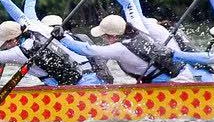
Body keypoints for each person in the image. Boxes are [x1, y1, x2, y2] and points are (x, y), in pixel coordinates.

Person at [0, 19, 105, 87]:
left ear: (13, 40)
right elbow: (23, 15)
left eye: (5, 44)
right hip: (75, 76)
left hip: (64, 86)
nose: (4, 47)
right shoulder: (34, 33)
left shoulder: (20, 52)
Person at [57, 13, 200, 84]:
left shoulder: (119, 49)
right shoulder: (136, 34)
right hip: (174, 76)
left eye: (104, 36)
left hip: (175, 82)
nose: (104, 40)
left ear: (112, 36)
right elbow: (129, 5)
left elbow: (88, 50)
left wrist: (62, 39)